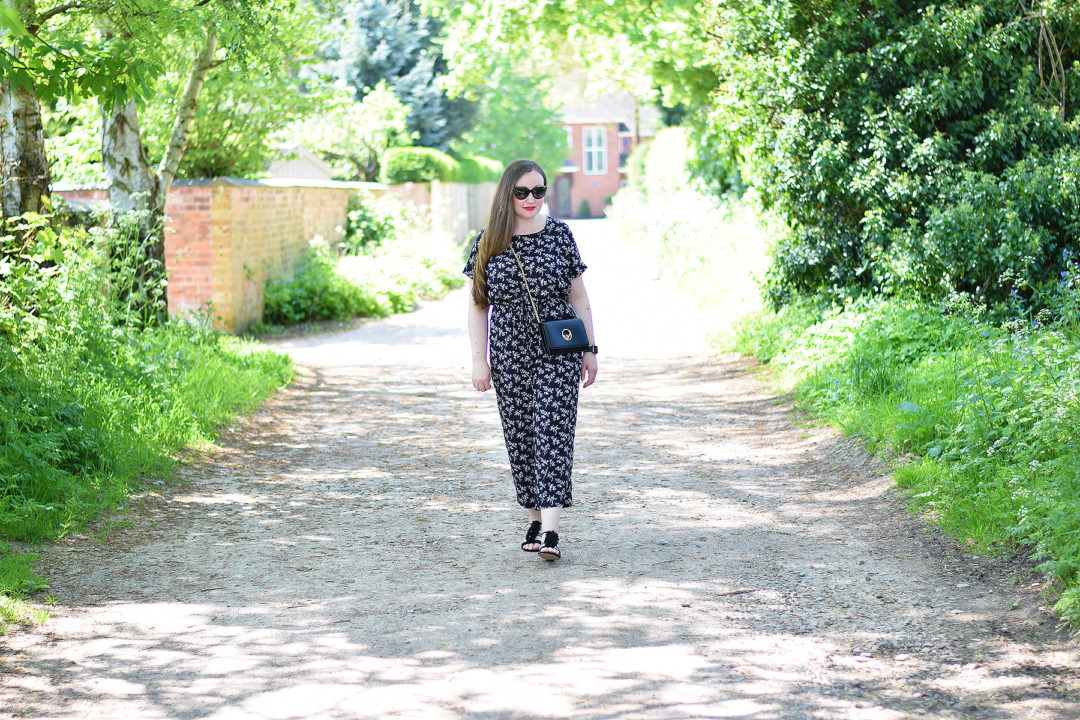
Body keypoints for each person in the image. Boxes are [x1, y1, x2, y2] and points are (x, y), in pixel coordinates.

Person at [464, 159, 598, 562]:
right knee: (522, 436)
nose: (530, 199)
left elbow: (578, 297)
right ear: (507, 193)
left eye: (538, 191)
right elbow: (477, 306)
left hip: (559, 349)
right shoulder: (489, 241)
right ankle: (535, 517)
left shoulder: (560, 235)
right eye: (521, 191)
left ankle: (552, 531)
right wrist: (479, 360)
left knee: (553, 432)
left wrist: (590, 349)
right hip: (508, 351)